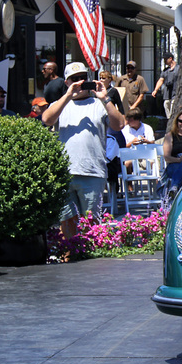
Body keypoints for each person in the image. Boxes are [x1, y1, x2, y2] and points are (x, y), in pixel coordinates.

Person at [42, 62, 126, 238]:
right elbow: (47, 120)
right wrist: (68, 96)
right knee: (66, 223)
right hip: (65, 173)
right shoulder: (60, 104)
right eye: (75, 79)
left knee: (91, 225)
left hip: (92, 173)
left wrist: (105, 98)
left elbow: (119, 125)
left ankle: (91, 258)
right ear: (67, 82)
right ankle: (70, 255)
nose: (80, 82)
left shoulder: (99, 104)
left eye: (83, 78)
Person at [150, 53, 178, 119]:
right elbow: (161, 80)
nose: (164, 61)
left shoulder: (178, 69)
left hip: (176, 94)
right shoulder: (165, 70)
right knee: (166, 106)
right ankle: (170, 123)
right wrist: (155, 90)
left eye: (166, 59)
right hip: (167, 95)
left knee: (173, 110)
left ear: (171, 58)